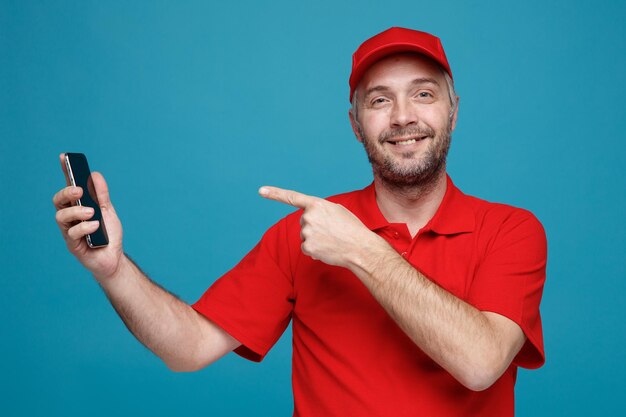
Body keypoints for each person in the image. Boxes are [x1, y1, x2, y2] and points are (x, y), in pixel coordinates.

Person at [53, 27, 547, 416]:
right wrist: (114, 271)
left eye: (423, 94)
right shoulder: (305, 233)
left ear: (453, 111)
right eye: (378, 100)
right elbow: (190, 347)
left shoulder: (510, 231)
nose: (402, 117)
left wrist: (361, 249)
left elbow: (480, 363)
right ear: (355, 125)